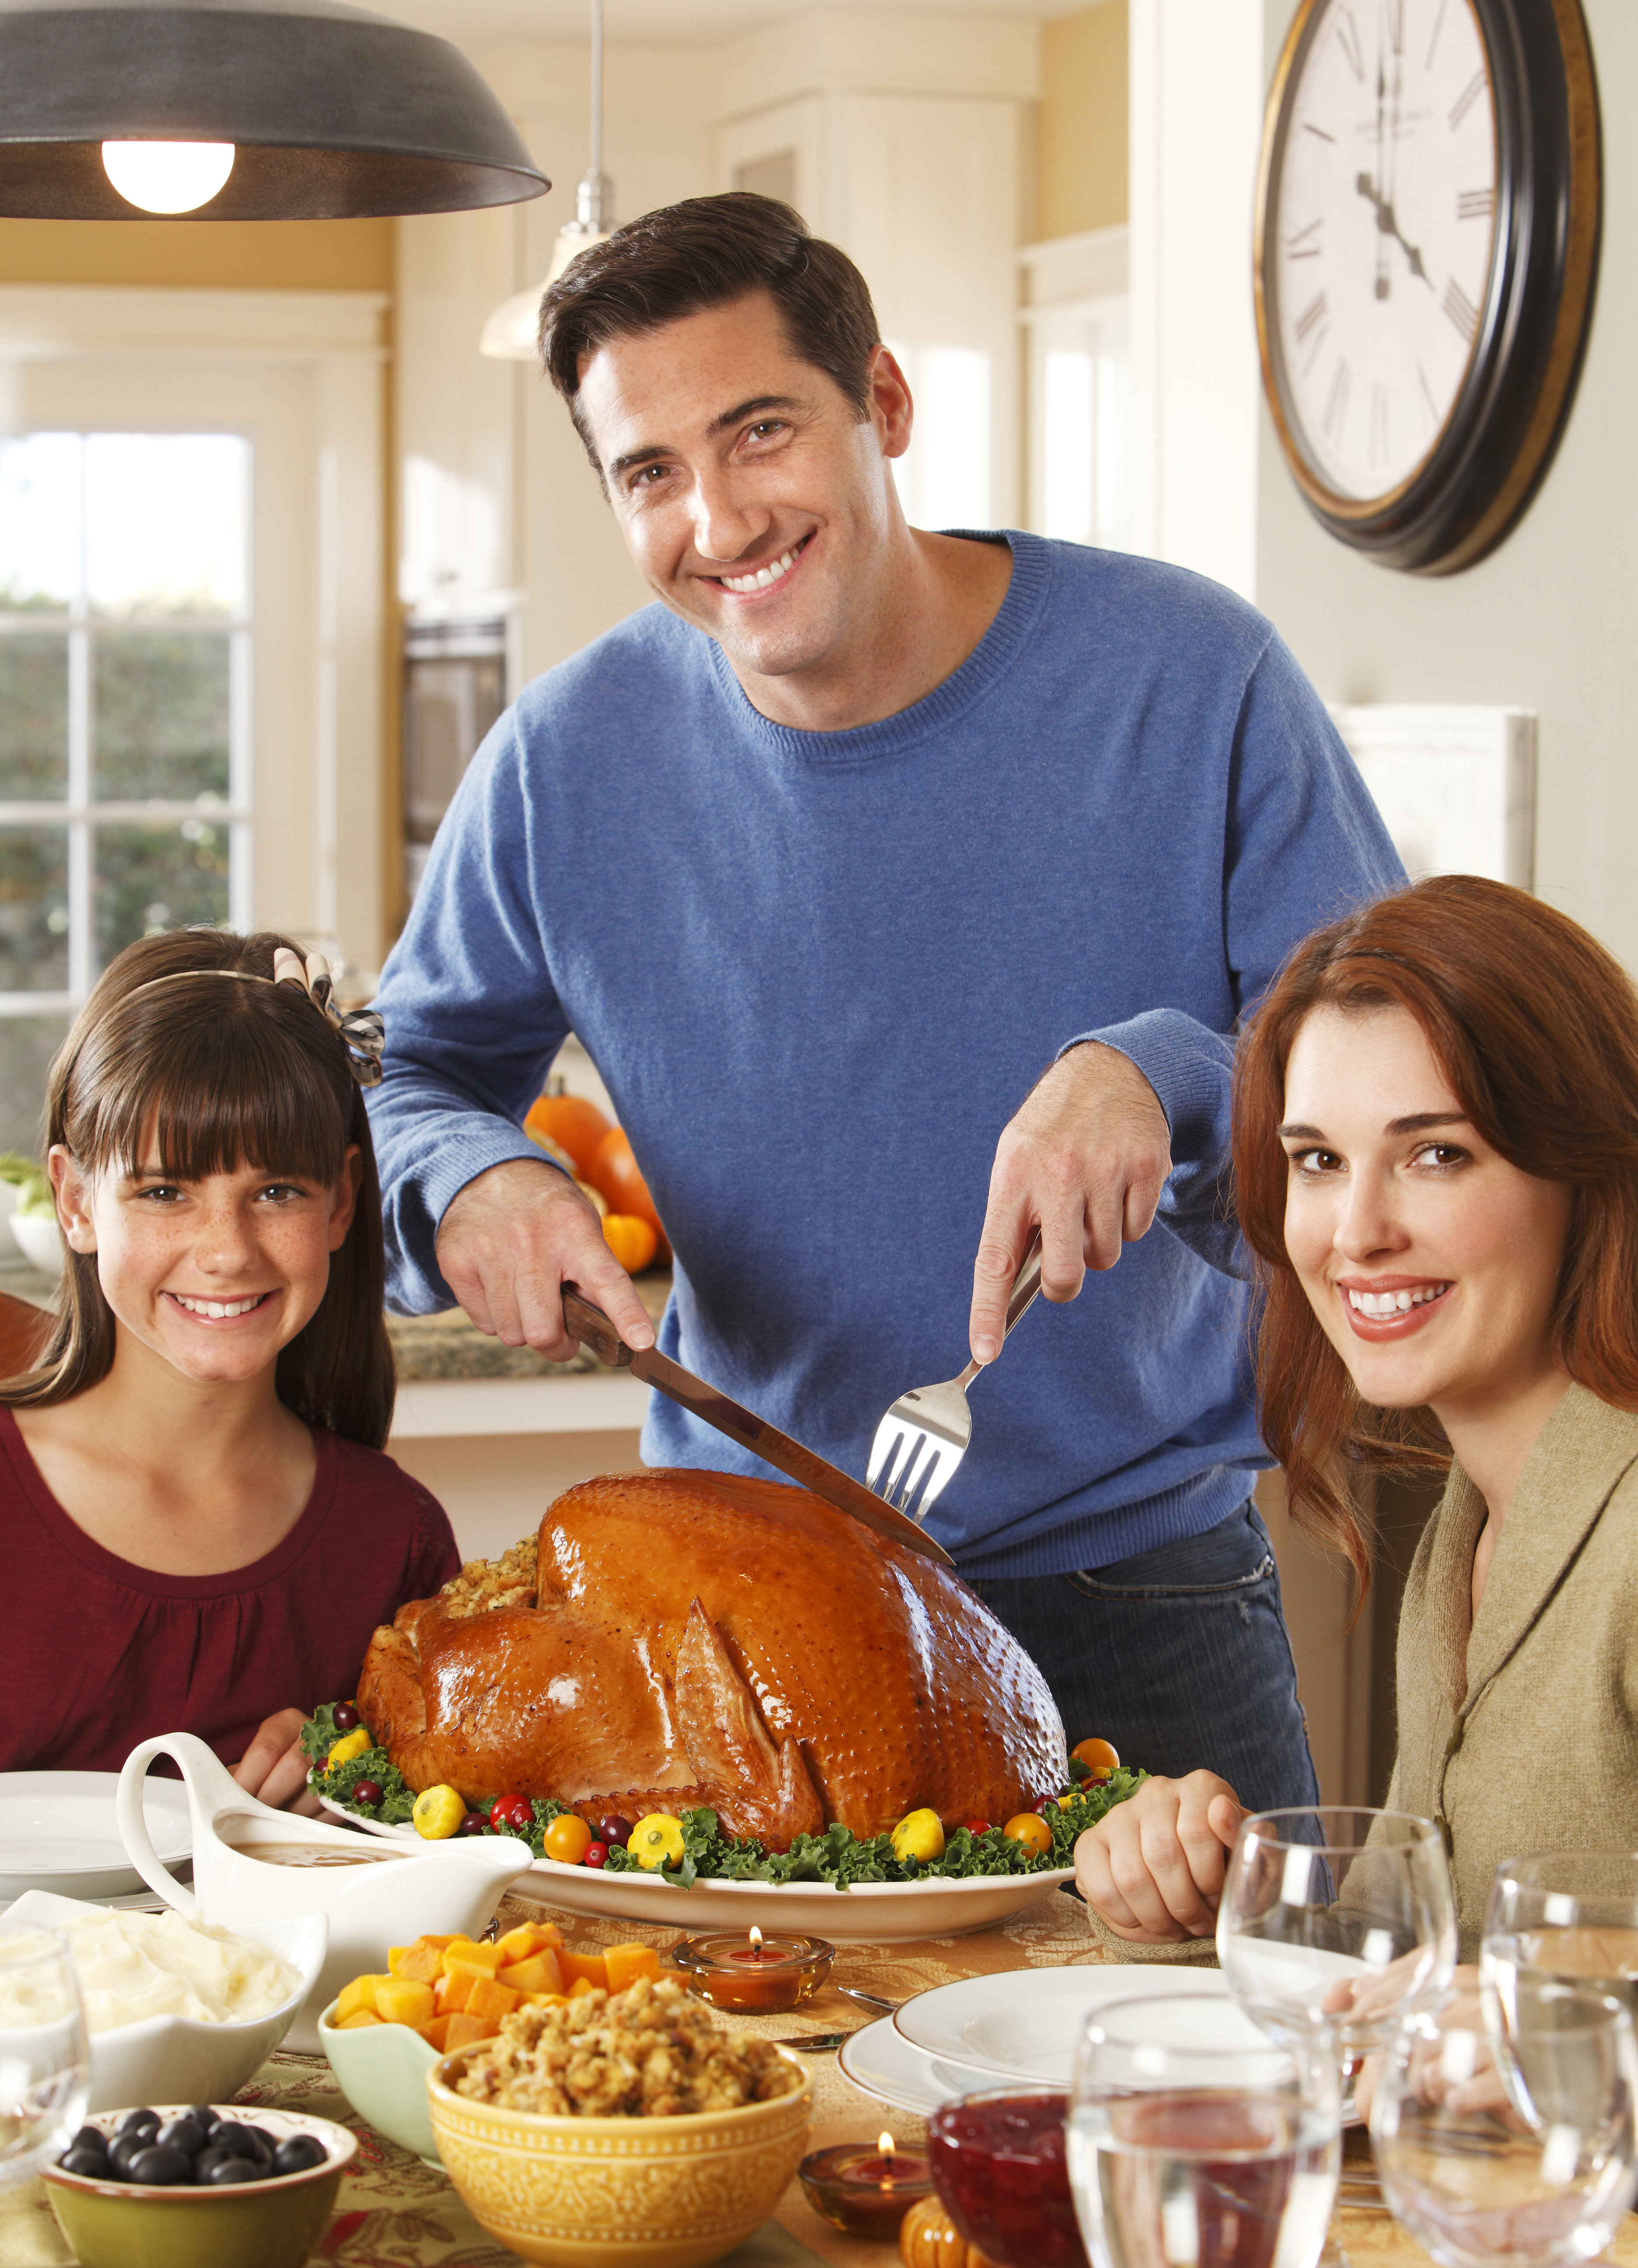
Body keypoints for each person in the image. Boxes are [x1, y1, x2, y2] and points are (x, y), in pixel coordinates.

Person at [367, 193, 1404, 1814]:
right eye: (650, 473)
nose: (715, 518)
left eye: (758, 431)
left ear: (887, 407)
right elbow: (400, 1074)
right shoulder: (559, 765)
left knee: (1237, 2058)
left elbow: (1395, 1065)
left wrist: (1163, 1077)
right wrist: (465, 1174)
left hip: (1139, 1589)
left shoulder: (1193, 676)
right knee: (759, 2069)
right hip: (728, 1615)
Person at [1076, 874, 1638, 1958]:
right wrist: (1219, 1900)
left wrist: (1535, 2019)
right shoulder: (1473, 1525)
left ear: (1589, 1167)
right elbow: (1428, 1966)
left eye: (1438, 1154)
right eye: (1319, 1162)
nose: (1357, 1230)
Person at [1, 929, 460, 1803]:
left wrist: (361, 1767)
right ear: (73, 1202)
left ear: (341, 1203)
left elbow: (446, 1839)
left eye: (277, 1191)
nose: (226, 1253)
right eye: (165, 1191)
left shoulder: (395, 1542)